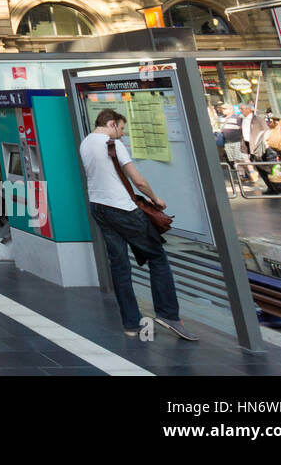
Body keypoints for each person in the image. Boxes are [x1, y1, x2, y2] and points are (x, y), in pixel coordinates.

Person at [80, 108, 196, 340]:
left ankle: (131, 323)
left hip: (99, 208)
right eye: (121, 128)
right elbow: (138, 180)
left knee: (120, 265)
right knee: (157, 258)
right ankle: (168, 314)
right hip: (123, 209)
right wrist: (155, 199)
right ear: (111, 124)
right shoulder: (111, 144)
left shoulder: (85, 143)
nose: (122, 134)